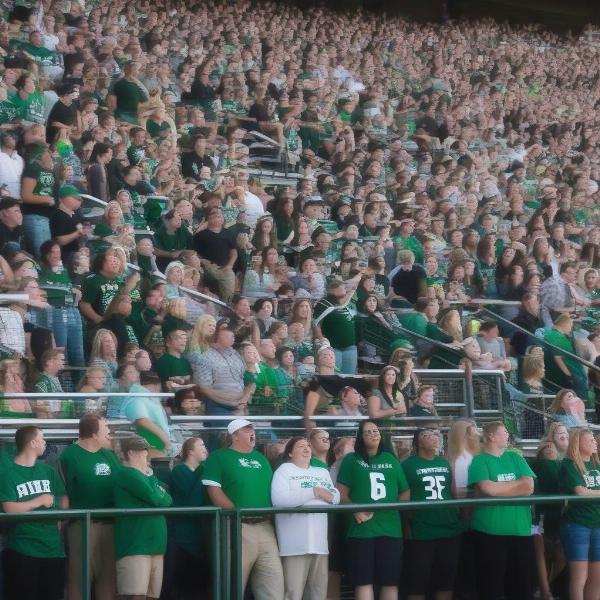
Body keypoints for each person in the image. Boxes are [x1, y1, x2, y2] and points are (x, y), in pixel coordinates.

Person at [202, 419, 284, 600]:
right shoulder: (219, 456)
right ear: (234, 435)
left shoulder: (261, 458)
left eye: (252, 429)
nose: (252, 433)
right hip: (237, 527)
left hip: (265, 527)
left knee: (274, 587)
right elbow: (214, 490)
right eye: (246, 430)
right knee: (232, 586)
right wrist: (235, 512)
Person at [336, 420, 409, 600]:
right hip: (361, 531)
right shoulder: (351, 460)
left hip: (390, 529)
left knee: (390, 581)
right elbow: (341, 493)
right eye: (368, 432)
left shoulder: (390, 459)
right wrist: (355, 511)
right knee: (363, 581)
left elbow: (405, 490)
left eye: (376, 431)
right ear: (360, 437)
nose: (374, 434)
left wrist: (395, 508)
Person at [468, 421, 536, 600]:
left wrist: (500, 488)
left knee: (521, 586)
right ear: (490, 436)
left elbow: (529, 487)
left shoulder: (516, 457)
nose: (508, 435)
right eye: (504, 431)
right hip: (490, 532)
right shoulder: (479, 460)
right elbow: (487, 489)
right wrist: (516, 486)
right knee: (491, 586)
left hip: (520, 529)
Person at [0, 426, 68, 600]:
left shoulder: (48, 471)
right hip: (22, 550)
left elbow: (64, 500)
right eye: (42, 438)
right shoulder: (8, 474)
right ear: (32, 443)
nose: (45, 442)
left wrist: (58, 513)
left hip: (53, 550)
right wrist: (38, 501)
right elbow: (9, 508)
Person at [59, 414, 120, 600]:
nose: (109, 431)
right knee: (78, 577)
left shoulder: (109, 455)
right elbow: (64, 492)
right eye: (106, 427)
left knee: (109, 577)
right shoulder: (69, 455)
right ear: (94, 434)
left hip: (110, 524)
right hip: (82, 525)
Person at [271, 437, 340, 600]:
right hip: (294, 545)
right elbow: (280, 500)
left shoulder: (322, 472)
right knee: (293, 593)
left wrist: (322, 495)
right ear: (289, 453)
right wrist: (314, 492)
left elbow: (335, 497)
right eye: (301, 446)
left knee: (318, 593)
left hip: (319, 544)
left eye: (308, 445)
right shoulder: (284, 470)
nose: (306, 448)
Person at [402, 428, 463, 600]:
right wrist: (408, 525)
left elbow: (452, 491)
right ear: (418, 442)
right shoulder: (407, 464)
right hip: (422, 530)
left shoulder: (444, 463)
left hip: (448, 527)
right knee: (417, 581)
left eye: (435, 434)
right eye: (427, 435)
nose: (433, 438)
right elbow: (403, 496)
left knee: (446, 580)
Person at [113, 436, 173, 600]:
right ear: (132, 453)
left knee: (153, 596)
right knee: (135, 596)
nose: (147, 453)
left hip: (156, 545)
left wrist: (157, 492)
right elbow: (155, 497)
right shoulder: (126, 474)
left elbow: (168, 499)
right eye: (143, 450)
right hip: (135, 546)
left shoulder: (148, 476)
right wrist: (158, 493)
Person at [559, 429, 600, 600]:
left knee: (596, 578)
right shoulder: (569, 464)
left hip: (598, 524)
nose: (594, 442)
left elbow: (587, 491)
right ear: (578, 443)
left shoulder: (596, 464)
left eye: (594, 440)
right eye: (590, 440)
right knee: (579, 578)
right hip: (577, 524)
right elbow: (580, 491)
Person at [168, 437, 209, 600]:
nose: (205, 448)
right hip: (183, 534)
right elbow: (193, 499)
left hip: (201, 533)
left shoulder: (204, 469)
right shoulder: (179, 471)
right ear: (190, 451)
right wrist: (207, 471)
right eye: (201, 445)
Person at [314, 279, 358, 374]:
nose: (344, 295)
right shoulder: (324, 303)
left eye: (344, 292)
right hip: (333, 347)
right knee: (334, 375)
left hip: (350, 346)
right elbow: (316, 323)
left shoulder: (350, 302)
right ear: (331, 293)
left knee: (349, 377)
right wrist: (322, 340)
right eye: (340, 294)